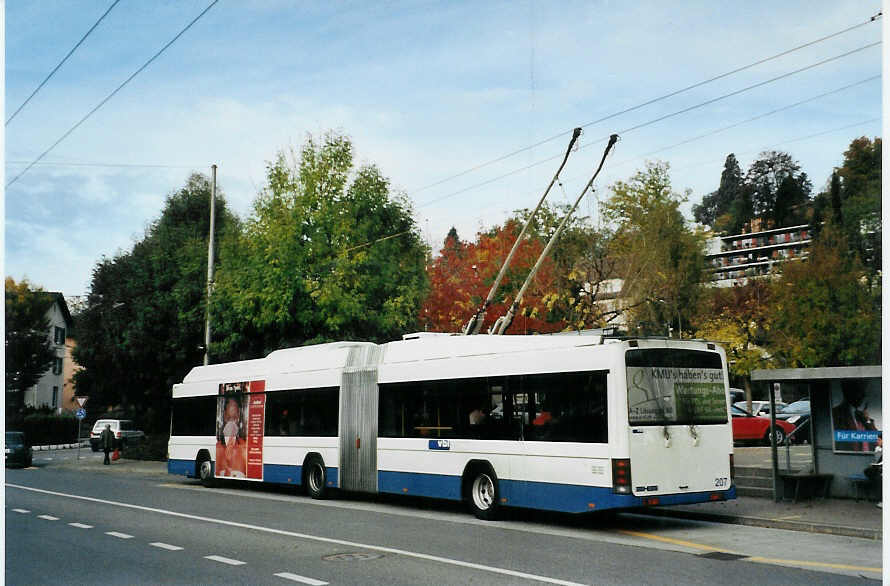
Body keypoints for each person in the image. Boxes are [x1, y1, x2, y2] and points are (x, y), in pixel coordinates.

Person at [832, 381, 877, 451]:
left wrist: (867, 420)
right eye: (860, 392)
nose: (864, 396)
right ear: (849, 393)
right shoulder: (836, 414)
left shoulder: (861, 415)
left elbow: (876, 436)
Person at [216, 396, 247, 477]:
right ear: (224, 416)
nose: (231, 424)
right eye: (229, 418)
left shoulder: (244, 448)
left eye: (234, 418)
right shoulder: (217, 448)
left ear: (239, 417)